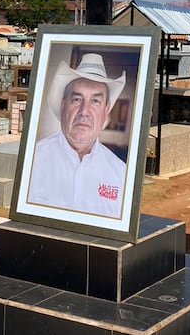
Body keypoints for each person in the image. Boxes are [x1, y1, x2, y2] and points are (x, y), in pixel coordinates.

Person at [27, 53, 127, 216]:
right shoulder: (32, 160)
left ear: (106, 109)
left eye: (95, 101)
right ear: (62, 105)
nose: (84, 111)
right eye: (77, 99)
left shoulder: (121, 173)